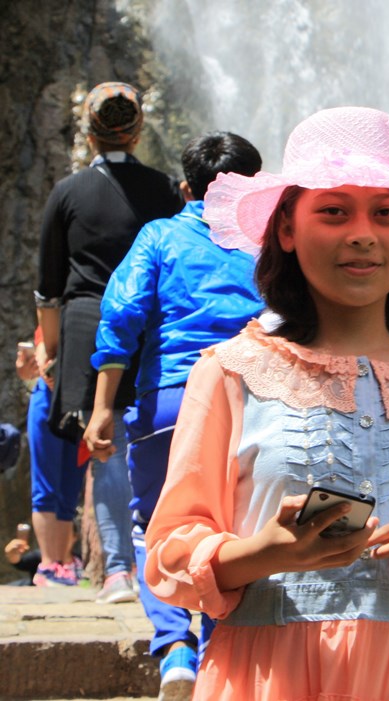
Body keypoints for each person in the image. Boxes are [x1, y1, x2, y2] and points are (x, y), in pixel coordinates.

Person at [144, 106, 389, 701]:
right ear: (287, 228)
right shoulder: (231, 373)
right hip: (269, 676)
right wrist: (262, 552)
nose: (362, 233)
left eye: (386, 213)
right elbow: (170, 550)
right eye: (333, 211)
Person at [82, 131, 264, 700]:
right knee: (232, 528)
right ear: (255, 187)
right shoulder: (272, 244)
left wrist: (102, 406)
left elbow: (120, 316)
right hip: (251, 397)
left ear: (185, 187)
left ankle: (173, 647)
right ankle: (217, 647)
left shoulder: (159, 236)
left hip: (170, 401)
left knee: (153, 525)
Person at [35, 81, 184, 605]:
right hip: (148, 325)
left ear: (89, 133)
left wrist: (49, 351)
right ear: (138, 130)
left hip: (85, 325)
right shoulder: (166, 189)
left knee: (105, 448)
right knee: (156, 443)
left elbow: (48, 287)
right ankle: (166, 566)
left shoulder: (68, 192)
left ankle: (120, 572)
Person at [16, 330, 86, 586]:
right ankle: (49, 564)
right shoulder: (48, 315)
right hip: (47, 397)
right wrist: (27, 367)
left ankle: (63, 565)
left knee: (70, 486)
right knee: (46, 485)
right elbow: (28, 372)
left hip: (78, 396)